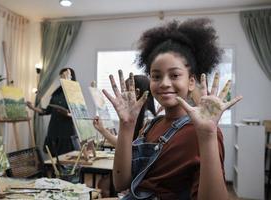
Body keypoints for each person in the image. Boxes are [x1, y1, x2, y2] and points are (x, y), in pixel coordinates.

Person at [102, 18, 242, 200]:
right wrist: (126, 125)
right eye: (156, 76)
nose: (164, 83)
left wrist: (207, 136)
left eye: (175, 75)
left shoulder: (201, 131)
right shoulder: (151, 126)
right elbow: (121, 183)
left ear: (191, 81)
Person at [93, 75, 157, 147]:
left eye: (125, 91)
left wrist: (103, 131)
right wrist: (103, 130)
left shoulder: (148, 119)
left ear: (136, 93)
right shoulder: (138, 115)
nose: (121, 96)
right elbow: (125, 146)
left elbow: (127, 148)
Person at [27, 67, 78, 156]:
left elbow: (77, 113)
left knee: (66, 159)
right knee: (54, 158)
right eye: (61, 76)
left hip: (66, 132)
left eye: (65, 76)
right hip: (53, 130)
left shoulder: (75, 93)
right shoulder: (57, 93)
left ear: (71, 77)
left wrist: (66, 113)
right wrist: (32, 108)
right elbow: (47, 111)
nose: (62, 78)